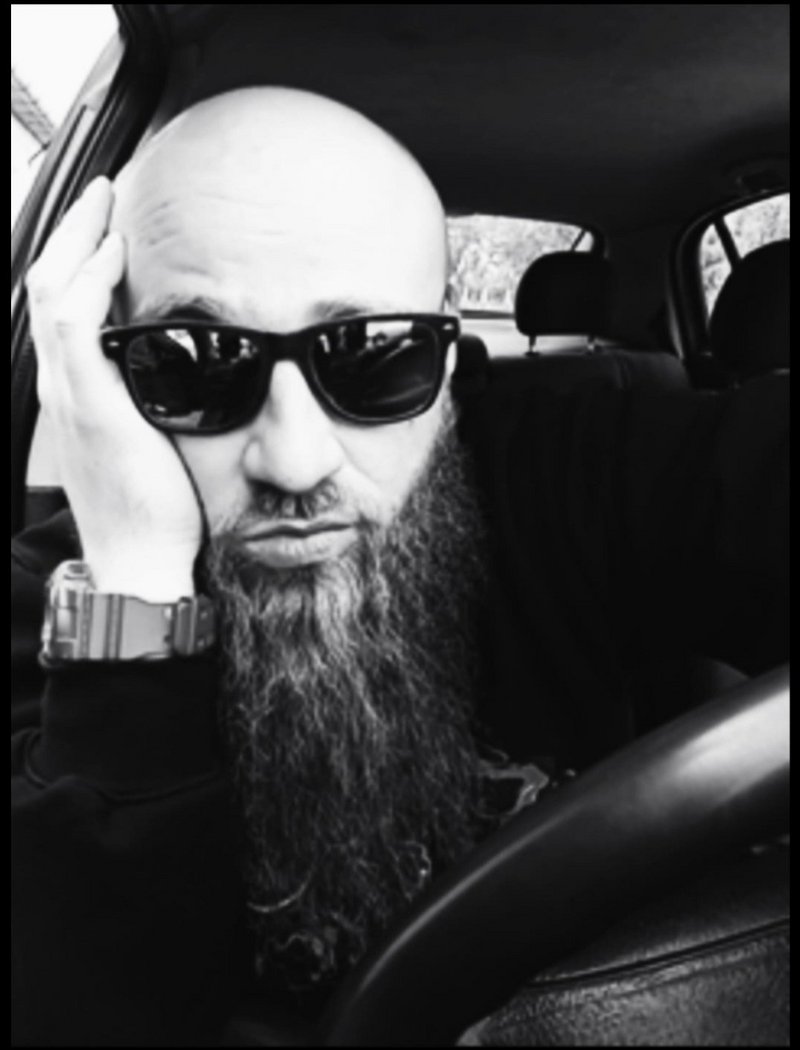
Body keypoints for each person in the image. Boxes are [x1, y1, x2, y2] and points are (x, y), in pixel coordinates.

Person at [11, 87, 789, 1047]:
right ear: (101, 375)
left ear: (450, 359)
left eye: (375, 355)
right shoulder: (45, 611)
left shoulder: (575, 466)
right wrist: (137, 588)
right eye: (193, 360)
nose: (294, 461)